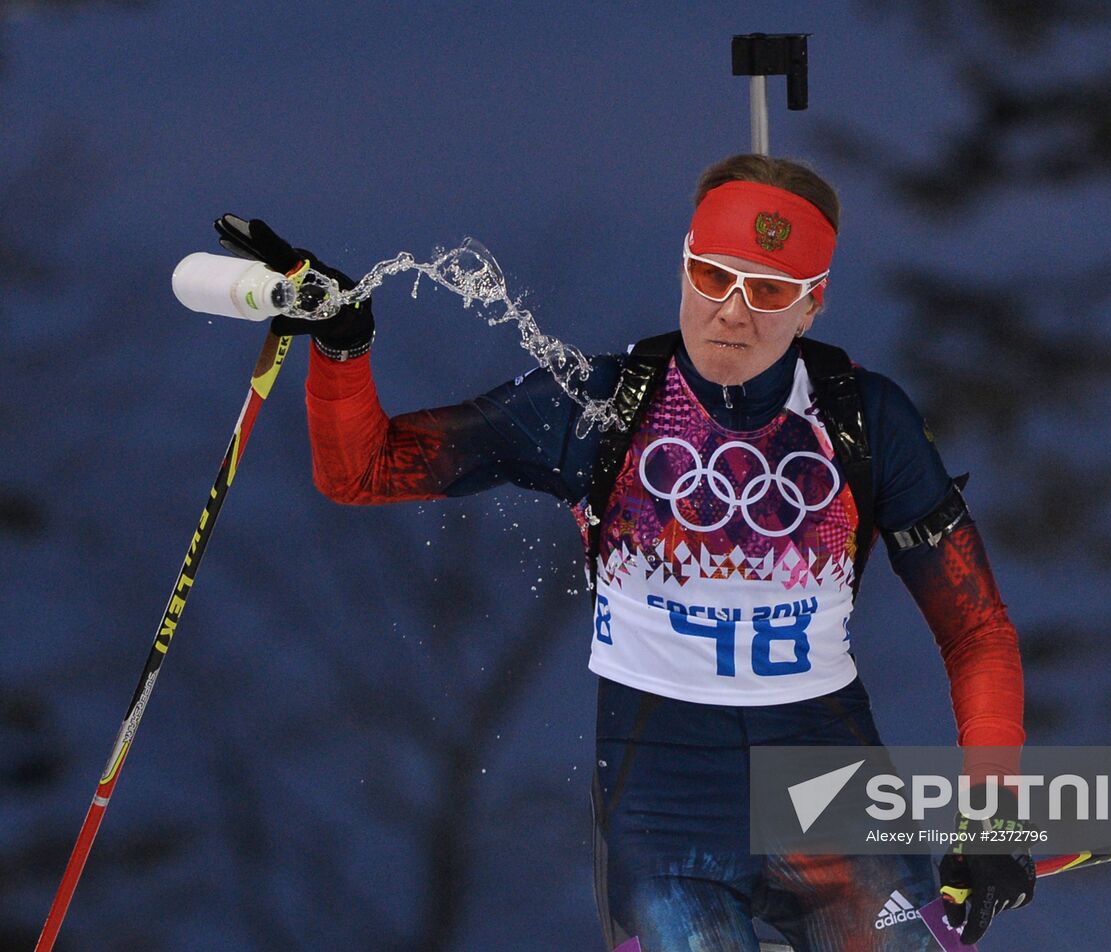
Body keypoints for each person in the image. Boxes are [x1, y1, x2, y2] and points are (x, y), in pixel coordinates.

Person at [214, 154, 1034, 951]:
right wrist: (344, 344)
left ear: (813, 303)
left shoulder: (865, 419)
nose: (735, 312)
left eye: (770, 290)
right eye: (714, 276)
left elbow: (976, 631)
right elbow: (363, 471)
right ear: (684, 265)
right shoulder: (600, 407)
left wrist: (992, 814)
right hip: (666, 812)